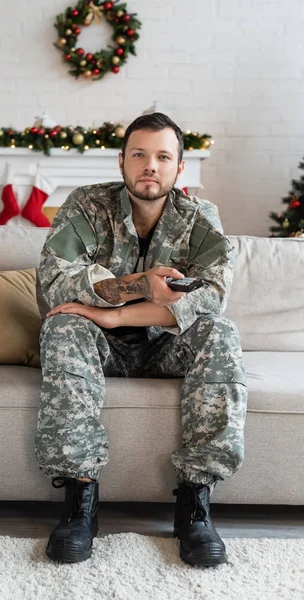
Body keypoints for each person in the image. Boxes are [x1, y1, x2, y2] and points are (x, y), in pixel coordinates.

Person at [35, 112, 248, 568]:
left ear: (178, 168)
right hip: (100, 349)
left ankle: (194, 505)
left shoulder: (199, 218)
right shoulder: (87, 206)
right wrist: (141, 285)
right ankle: (79, 502)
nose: (150, 165)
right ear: (122, 162)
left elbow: (211, 299)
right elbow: (55, 282)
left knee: (220, 332)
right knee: (63, 324)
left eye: (162, 156)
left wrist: (113, 315)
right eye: (139, 154)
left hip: (165, 345)